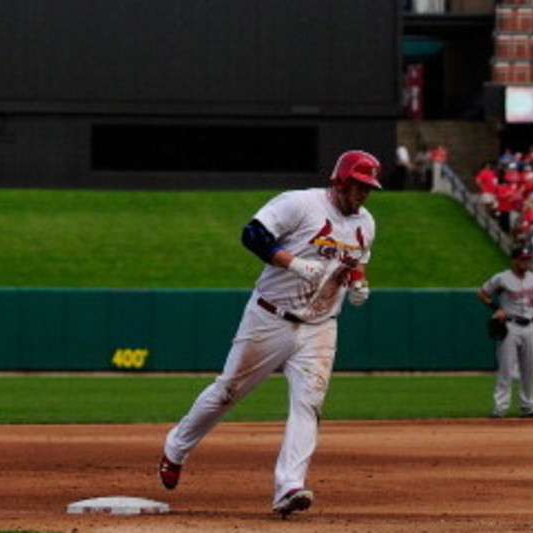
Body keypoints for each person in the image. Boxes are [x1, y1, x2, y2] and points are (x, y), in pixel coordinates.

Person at [158, 150, 381, 518]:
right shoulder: (300, 204)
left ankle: (289, 486)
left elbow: (356, 263)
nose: (363, 194)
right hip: (270, 317)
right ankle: (176, 448)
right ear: (341, 180)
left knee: (309, 404)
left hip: (321, 326)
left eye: (368, 188)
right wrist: (292, 263)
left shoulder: (366, 223)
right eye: (358, 186)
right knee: (227, 391)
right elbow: (253, 235)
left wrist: (358, 284)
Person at [477, 246, 533, 419]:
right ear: (513, 260)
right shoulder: (502, 278)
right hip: (510, 325)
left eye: (528, 259)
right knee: (506, 367)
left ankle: (528, 407)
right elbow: (482, 293)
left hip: (529, 325)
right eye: (522, 259)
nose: (526, 262)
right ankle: (500, 407)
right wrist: (495, 308)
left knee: (529, 368)